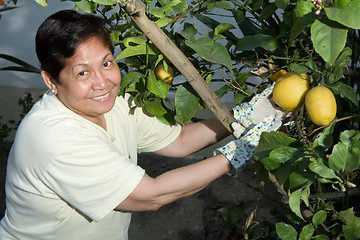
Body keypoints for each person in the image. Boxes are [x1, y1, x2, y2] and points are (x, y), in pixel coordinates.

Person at [0, 10, 284, 240]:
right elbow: (151, 195)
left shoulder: (115, 104)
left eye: (107, 63)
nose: (102, 82)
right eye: (82, 72)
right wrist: (238, 152)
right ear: (51, 80)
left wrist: (245, 116)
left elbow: (180, 141)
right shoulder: (54, 137)